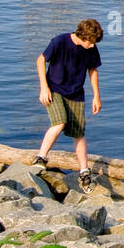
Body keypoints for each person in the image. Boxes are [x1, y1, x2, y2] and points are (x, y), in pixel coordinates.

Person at [33, 18, 103, 189]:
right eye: (91, 42)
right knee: (60, 122)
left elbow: (92, 71)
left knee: (78, 133)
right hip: (54, 89)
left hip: (76, 93)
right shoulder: (59, 41)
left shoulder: (91, 49)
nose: (93, 46)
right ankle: (41, 158)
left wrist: (96, 96)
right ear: (83, 36)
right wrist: (43, 87)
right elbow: (40, 60)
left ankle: (84, 171)